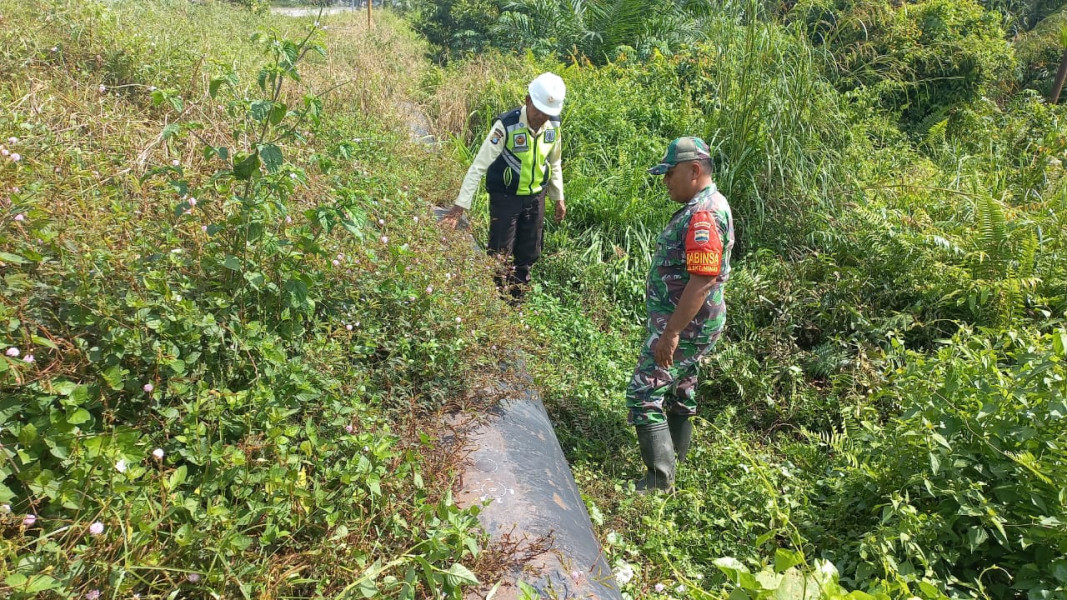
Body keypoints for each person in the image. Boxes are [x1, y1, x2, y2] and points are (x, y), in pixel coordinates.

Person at [626, 136, 734, 492]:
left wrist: (671, 332)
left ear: (694, 170)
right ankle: (676, 459)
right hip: (697, 322)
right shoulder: (710, 203)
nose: (665, 181)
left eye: (669, 173)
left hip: (686, 324)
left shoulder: (703, 214)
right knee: (681, 388)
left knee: (644, 391)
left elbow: (702, 280)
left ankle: (659, 482)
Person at [441, 72, 567, 300]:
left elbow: (554, 162)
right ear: (528, 100)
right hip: (506, 199)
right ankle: (497, 302)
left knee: (528, 254)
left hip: (535, 198)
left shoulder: (553, 127)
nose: (542, 117)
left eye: (547, 113)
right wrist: (460, 207)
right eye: (538, 110)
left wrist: (558, 197)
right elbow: (478, 166)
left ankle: (516, 303)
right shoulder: (506, 126)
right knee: (500, 255)